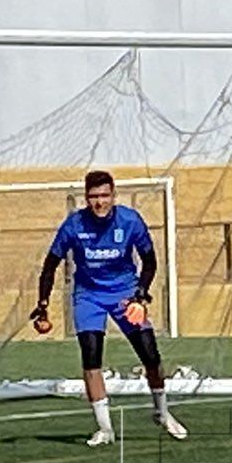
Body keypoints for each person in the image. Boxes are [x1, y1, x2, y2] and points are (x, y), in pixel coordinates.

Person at [30, 170, 186, 447]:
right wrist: (43, 304)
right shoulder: (74, 225)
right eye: (93, 196)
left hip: (125, 294)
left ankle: (161, 412)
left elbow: (149, 260)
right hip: (88, 296)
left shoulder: (130, 221)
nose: (99, 202)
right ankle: (105, 429)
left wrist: (140, 295)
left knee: (150, 355)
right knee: (91, 358)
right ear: (86, 198)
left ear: (113, 196)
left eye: (104, 196)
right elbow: (50, 264)